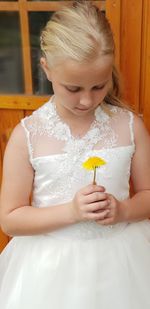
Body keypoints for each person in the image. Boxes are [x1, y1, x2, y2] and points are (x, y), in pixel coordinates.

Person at [0, 1, 150, 308]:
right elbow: (10, 219)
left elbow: (148, 193)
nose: (87, 100)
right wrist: (72, 212)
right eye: (73, 88)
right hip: (48, 269)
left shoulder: (129, 126)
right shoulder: (28, 135)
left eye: (98, 85)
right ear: (46, 69)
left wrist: (122, 211)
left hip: (122, 262)